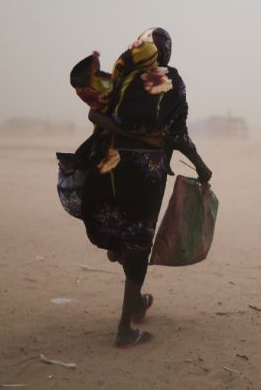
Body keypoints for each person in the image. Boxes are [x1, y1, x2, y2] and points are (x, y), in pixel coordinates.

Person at [68, 27, 211, 348]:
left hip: (112, 165)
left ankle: (136, 302)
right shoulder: (170, 80)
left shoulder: (125, 78)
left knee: (125, 236)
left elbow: (95, 114)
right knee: (138, 241)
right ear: (166, 52)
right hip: (148, 170)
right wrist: (201, 166)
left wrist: (125, 133)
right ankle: (124, 329)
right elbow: (178, 135)